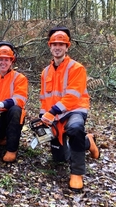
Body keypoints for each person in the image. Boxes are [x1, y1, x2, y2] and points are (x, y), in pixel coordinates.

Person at [40, 26, 99, 191]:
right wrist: (42, 116)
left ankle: (77, 173)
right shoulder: (45, 72)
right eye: (54, 44)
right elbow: (44, 98)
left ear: (67, 46)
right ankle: (88, 142)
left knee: (75, 128)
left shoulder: (77, 68)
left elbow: (73, 97)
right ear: (49, 46)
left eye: (61, 44)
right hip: (56, 115)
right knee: (59, 158)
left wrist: (52, 112)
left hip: (75, 110)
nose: (57, 47)